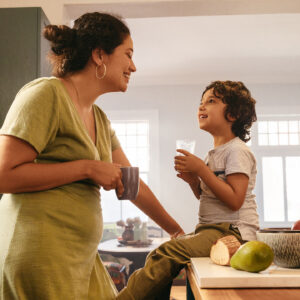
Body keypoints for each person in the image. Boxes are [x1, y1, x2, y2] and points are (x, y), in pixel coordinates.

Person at [0, 12, 184, 300]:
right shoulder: (45, 94)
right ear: (100, 55)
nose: (133, 66)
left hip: (81, 257)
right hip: (40, 253)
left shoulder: (100, 119)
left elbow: (131, 183)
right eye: (128, 54)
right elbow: (3, 175)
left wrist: (177, 232)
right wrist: (87, 168)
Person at [117, 80, 259, 300]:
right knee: (160, 252)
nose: (201, 107)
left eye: (210, 101)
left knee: (167, 253)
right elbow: (208, 197)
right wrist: (194, 181)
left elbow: (234, 200)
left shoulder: (237, 151)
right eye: (201, 103)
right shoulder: (213, 155)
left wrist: (201, 171)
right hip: (211, 228)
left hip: (233, 232)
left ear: (232, 114)